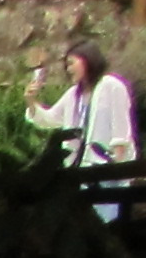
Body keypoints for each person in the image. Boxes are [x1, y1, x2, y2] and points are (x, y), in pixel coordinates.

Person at [29, 38, 137, 220]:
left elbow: (121, 132)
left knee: (106, 221)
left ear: (87, 60)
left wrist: (116, 168)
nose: (68, 69)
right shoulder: (73, 94)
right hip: (79, 172)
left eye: (71, 63)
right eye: (67, 65)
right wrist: (31, 101)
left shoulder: (112, 86)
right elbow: (49, 119)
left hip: (106, 171)